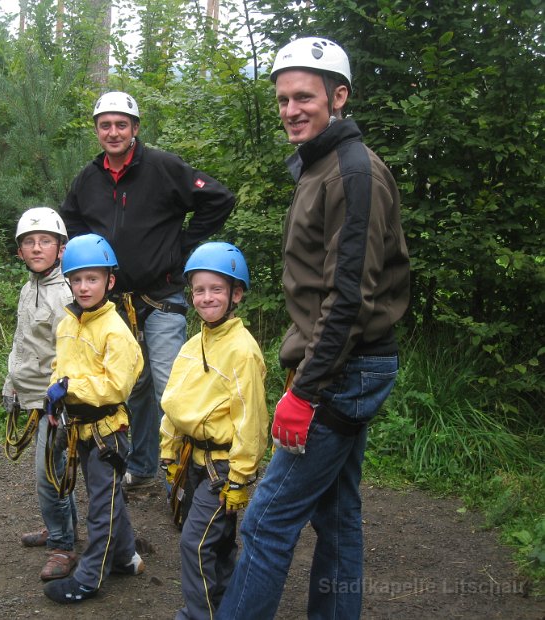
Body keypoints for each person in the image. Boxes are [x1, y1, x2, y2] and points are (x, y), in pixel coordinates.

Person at [216, 37, 410, 620]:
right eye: (282, 99)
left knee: (269, 518)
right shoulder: (320, 165)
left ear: (339, 96)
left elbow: (349, 297)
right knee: (337, 513)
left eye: (305, 97)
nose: (291, 109)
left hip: (342, 371)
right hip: (344, 365)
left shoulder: (351, 173)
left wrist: (304, 391)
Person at [60, 91, 236, 490]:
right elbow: (69, 220)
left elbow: (219, 198)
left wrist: (184, 244)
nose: (113, 131)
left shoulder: (163, 167)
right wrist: (85, 253)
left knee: (169, 382)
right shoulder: (89, 178)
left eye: (122, 124)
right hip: (115, 303)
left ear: (135, 129)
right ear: (97, 131)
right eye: (105, 125)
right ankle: (141, 466)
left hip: (162, 296)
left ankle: (185, 471)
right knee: (132, 384)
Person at [159, 241, 269, 620]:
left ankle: (199, 614)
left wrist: (240, 478)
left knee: (195, 543)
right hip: (194, 459)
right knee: (219, 543)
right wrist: (169, 452)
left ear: (236, 293)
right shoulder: (192, 345)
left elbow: (251, 419)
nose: (206, 298)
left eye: (217, 289)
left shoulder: (242, 351)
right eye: (199, 289)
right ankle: (226, 606)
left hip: (221, 467)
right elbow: (174, 403)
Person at [42, 233, 145, 604]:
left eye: (93, 279)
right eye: (77, 279)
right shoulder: (70, 321)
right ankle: (124, 557)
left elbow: (117, 386)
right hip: (79, 428)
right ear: (68, 281)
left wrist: (69, 388)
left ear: (109, 282)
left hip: (107, 432)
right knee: (108, 495)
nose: (84, 287)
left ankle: (89, 577)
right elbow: (61, 364)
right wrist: (55, 399)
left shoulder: (116, 331)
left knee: (102, 506)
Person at [1, 207, 79, 582]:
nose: (36, 249)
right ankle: (62, 528)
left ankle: (62, 546)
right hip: (30, 395)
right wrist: (11, 385)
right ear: (20, 252)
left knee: (48, 476)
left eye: (45, 241)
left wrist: (59, 400)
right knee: (56, 471)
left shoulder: (64, 295)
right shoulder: (28, 288)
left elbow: (70, 354)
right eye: (29, 243)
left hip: (54, 403)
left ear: (61, 249)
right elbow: (21, 342)